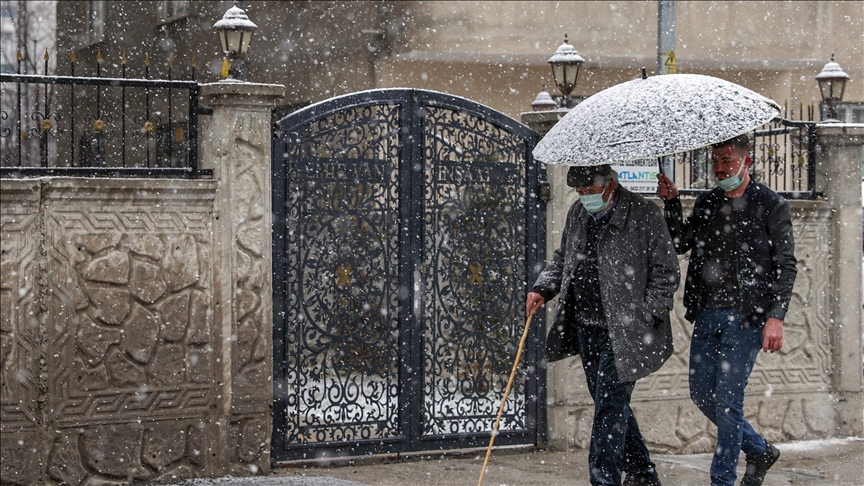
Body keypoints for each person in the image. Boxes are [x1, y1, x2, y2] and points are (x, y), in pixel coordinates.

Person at [656, 134, 797, 486]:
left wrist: (775, 316)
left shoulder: (770, 204)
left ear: (746, 163)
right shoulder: (707, 202)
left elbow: (786, 264)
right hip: (708, 313)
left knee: (728, 399)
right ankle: (760, 449)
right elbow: (680, 243)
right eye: (715, 162)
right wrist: (672, 203)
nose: (720, 169)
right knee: (702, 394)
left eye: (727, 161)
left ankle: (722, 480)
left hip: (748, 316)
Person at [527, 164, 679, 486]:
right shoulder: (577, 214)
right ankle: (642, 473)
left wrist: (645, 316)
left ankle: (603, 480)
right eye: (580, 192)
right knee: (610, 404)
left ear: (611, 184)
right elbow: (562, 258)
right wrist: (543, 287)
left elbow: (666, 274)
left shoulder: (644, 214)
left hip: (625, 330)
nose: (585, 198)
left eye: (591, 191)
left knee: (608, 410)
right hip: (586, 326)